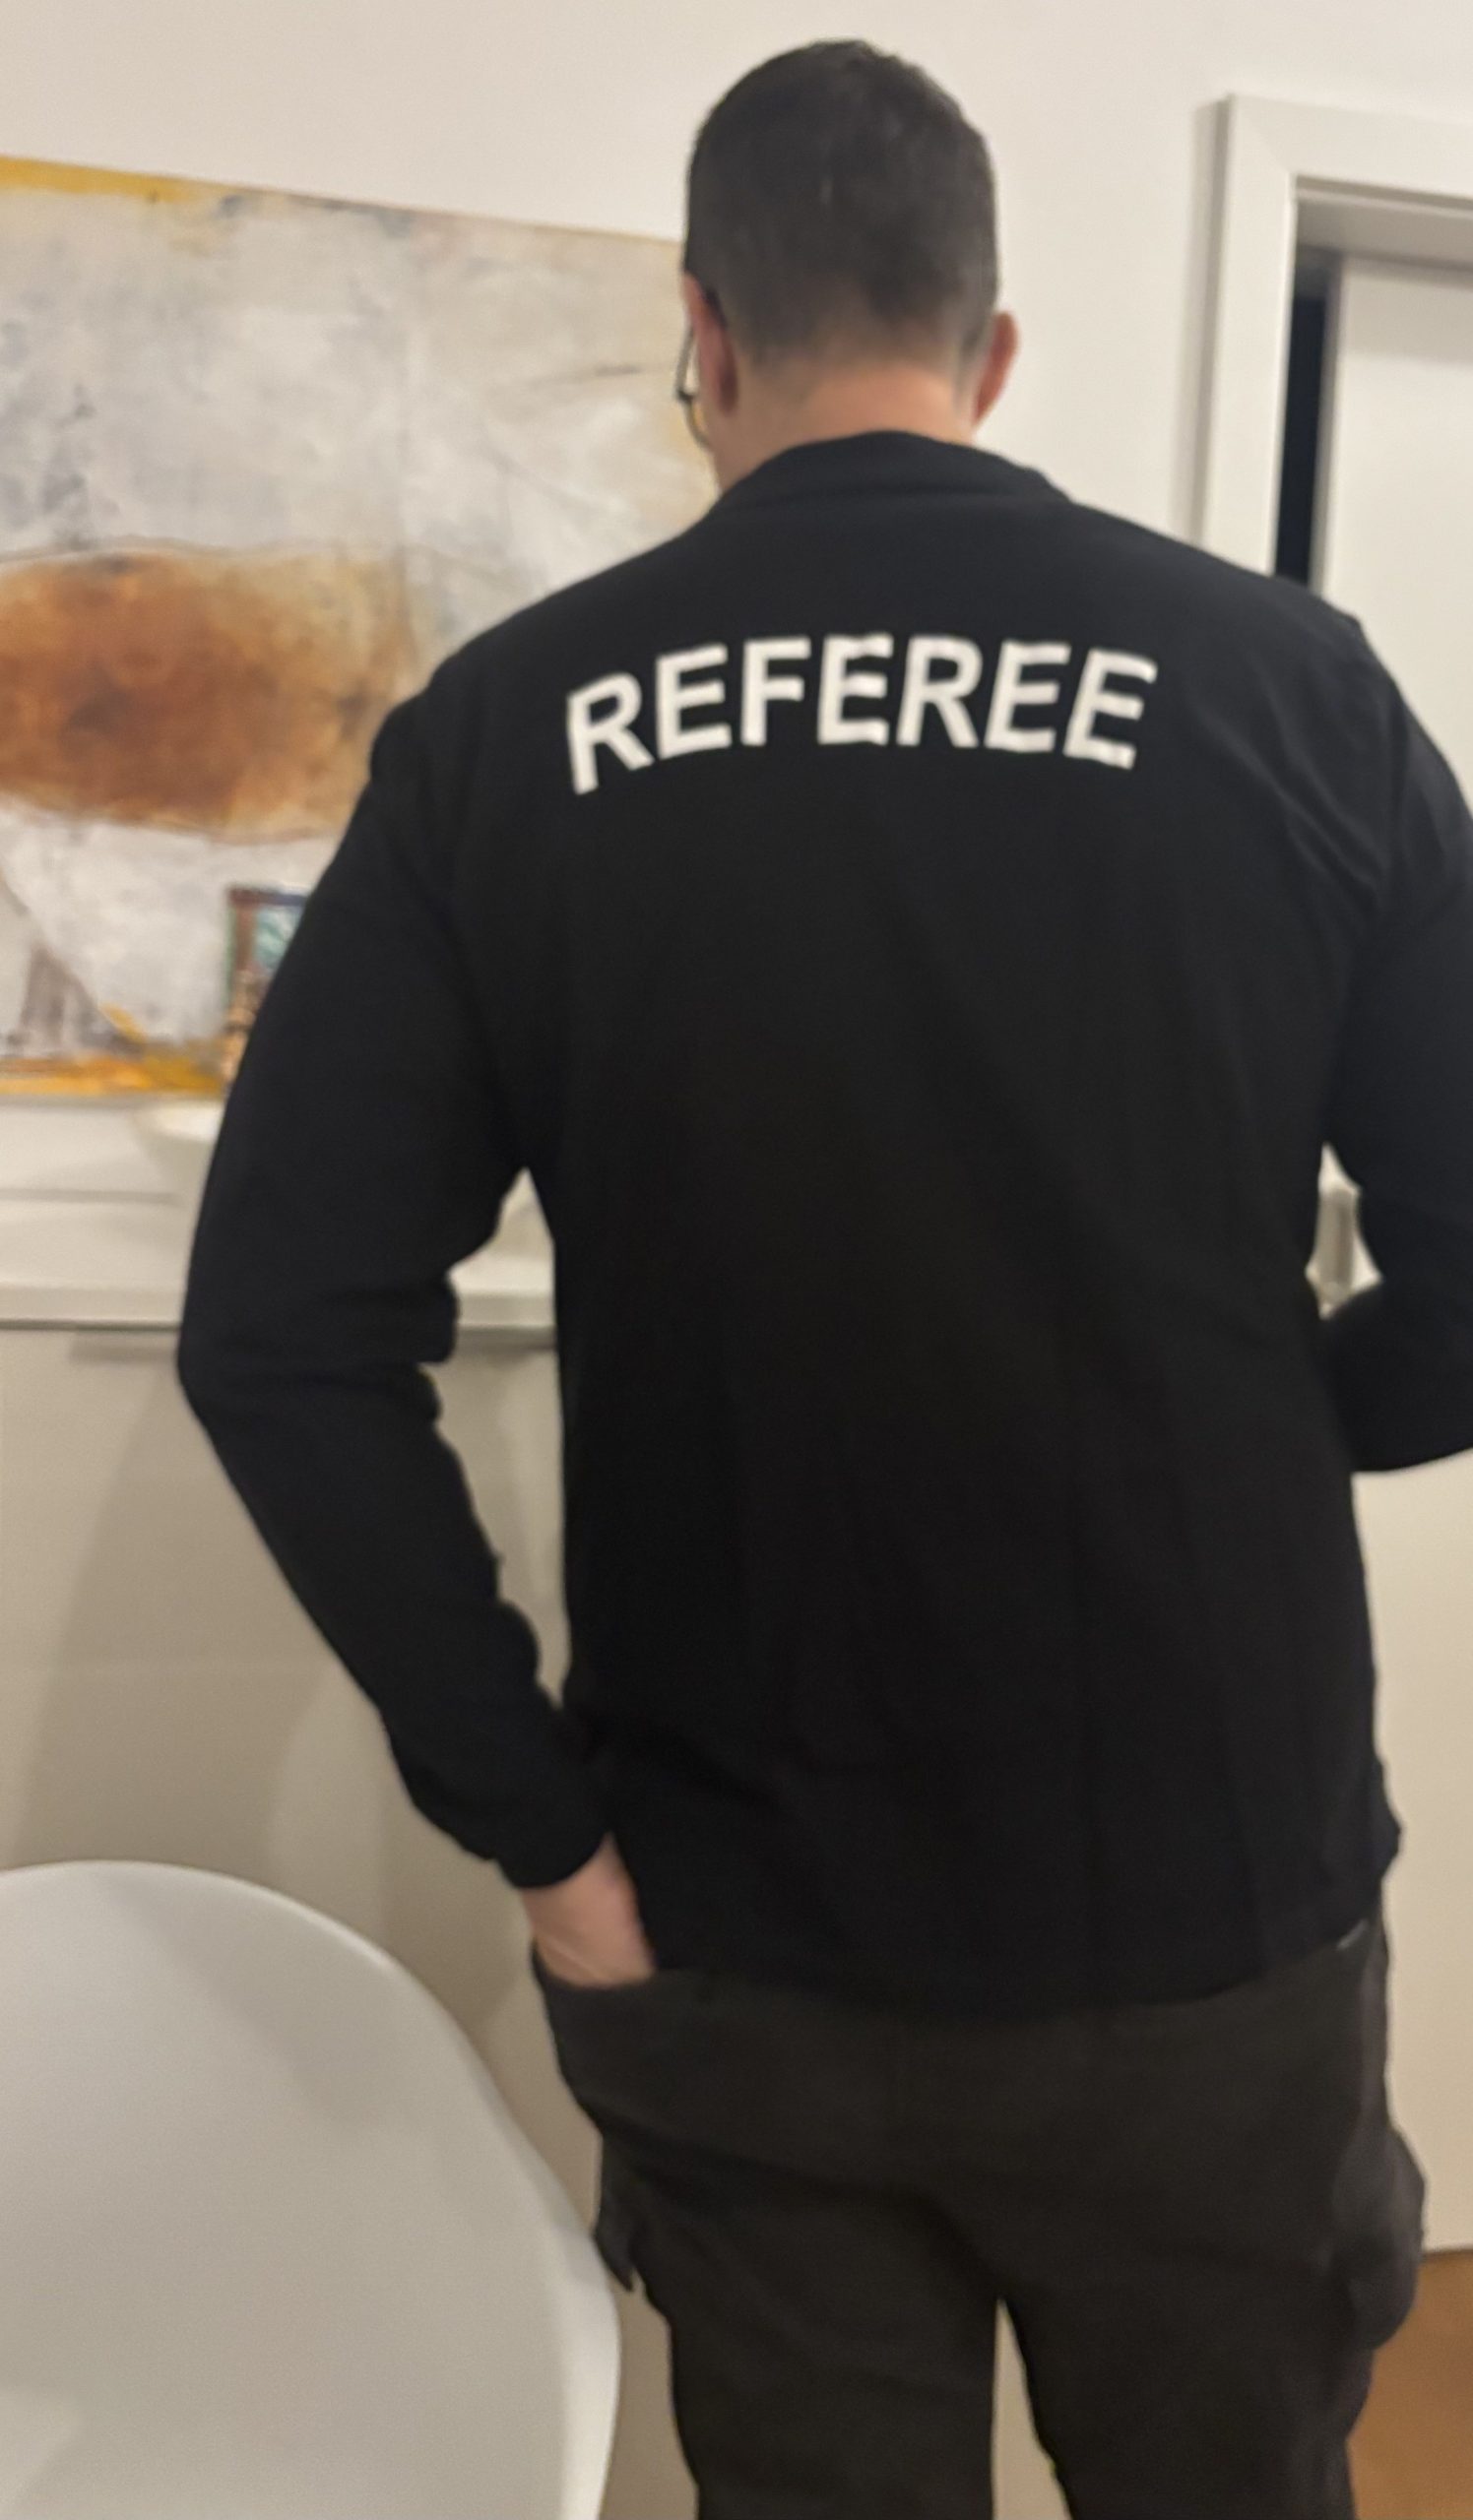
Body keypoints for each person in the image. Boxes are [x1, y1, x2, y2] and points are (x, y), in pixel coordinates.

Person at [178, 40, 1472, 2519]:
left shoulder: (506, 735)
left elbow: (280, 1337)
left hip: (728, 1927)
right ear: (994, 348)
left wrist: (536, 1831)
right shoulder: (1289, 692)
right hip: (1207, 1919)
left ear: (703, 332)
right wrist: (1284, 1407)